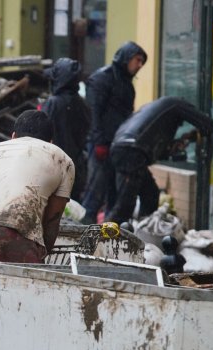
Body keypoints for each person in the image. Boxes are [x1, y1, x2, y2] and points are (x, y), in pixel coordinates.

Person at [0, 110, 75, 290]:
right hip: (16, 224)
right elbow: (53, 217)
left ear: (13, 136)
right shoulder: (61, 158)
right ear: (51, 142)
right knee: (28, 298)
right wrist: (43, 252)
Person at [104, 96, 213, 225]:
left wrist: (173, 146)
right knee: (125, 205)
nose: (180, 125)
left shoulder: (158, 111)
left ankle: (143, 231)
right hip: (131, 152)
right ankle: (100, 240)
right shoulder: (176, 105)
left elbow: (155, 146)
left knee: (150, 195)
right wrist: (210, 128)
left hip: (125, 149)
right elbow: (208, 124)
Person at [81, 41, 147, 224]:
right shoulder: (102, 79)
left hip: (118, 147)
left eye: (142, 62)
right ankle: (81, 234)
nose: (140, 65)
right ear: (126, 58)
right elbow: (93, 113)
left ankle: (106, 239)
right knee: (95, 191)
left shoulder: (126, 85)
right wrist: (99, 141)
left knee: (113, 192)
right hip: (102, 144)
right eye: (137, 60)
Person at [41, 57, 90, 200]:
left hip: (53, 166)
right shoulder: (81, 103)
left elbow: (41, 132)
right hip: (76, 167)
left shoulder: (53, 103)